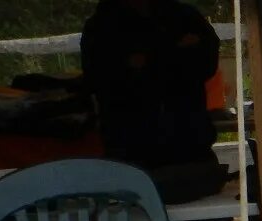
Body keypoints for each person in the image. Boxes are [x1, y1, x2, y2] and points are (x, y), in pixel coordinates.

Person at [80, 0, 221, 180]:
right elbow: (100, 79)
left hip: (190, 156)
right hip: (130, 162)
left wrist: (149, 62)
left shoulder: (184, 16)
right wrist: (174, 53)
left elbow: (207, 61)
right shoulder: (101, 27)